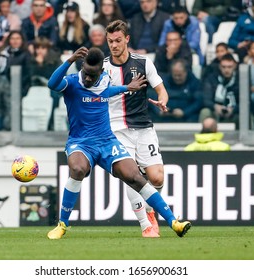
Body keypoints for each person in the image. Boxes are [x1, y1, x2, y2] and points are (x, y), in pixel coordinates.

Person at [46, 46, 191, 239]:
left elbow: (107, 91)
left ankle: (174, 222)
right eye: (86, 74)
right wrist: (69, 61)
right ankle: (62, 224)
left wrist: (126, 88)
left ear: (101, 72)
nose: (88, 79)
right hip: (81, 143)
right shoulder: (72, 83)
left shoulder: (105, 79)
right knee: (78, 170)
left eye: (92, 76)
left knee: (136, 177)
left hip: (107, 142)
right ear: (82, 68)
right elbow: (52, 83)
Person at [104, 20, 170, 237]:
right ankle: (146, 223)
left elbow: (161, 90)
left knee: (157, 177)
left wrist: (162, 100)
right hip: (116, 129)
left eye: (118, 41)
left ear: (127, 39)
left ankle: (150, 208)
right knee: (130, 174)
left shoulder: (143, 62)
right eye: (110, 41)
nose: (114, 45)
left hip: (143, 128)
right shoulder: (103, 68)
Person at [199, 53, 239, 125]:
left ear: (234, 66)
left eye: (229, 67)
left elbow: (246, 102)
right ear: (220, 67)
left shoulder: (240, 79)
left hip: (234, 112)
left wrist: (233, 110)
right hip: (215, 110)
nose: (226, 70)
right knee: (205, 112)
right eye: (224, 67)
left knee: (244, 114)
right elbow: (206, 99)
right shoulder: (211, 78)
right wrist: (215, 107)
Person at [0, 30, 32, 97]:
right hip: (4, 85)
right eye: (12, 38)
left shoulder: (26, 55)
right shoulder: (4, 54)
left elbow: (27, 73)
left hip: (21, 86)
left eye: (17, 38)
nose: (15, 41)